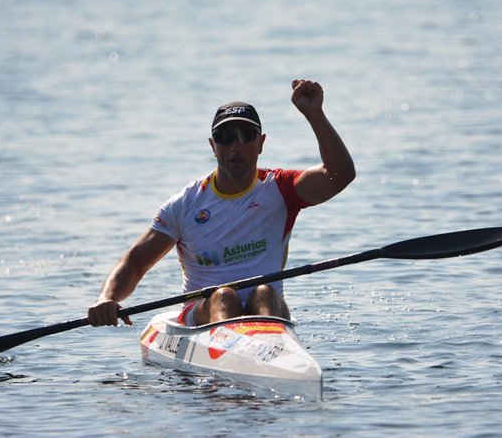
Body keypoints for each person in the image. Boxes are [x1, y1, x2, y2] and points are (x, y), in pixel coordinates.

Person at [87, 79, 355, 327]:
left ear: (260, 143)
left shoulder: (281, 189)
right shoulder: (185, 204)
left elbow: (340, 175)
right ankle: (237, 354)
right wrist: (107, 298)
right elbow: (136, 261)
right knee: (223, 296)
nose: (236, 146)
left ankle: (266, 350)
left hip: (267, 310)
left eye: (246, 135)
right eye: (226, 138)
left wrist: (314, 115)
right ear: (213, 146)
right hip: (203, 315)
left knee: (264, 292)